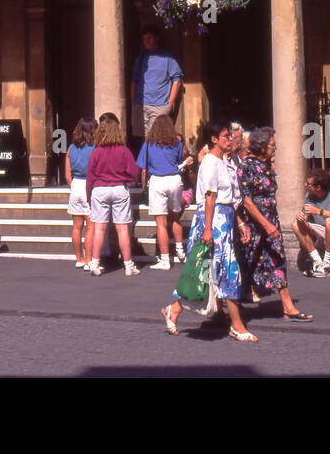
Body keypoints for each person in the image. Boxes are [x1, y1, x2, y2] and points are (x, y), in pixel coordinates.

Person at [161, 118, 254, 341]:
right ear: (214, 140)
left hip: (222, 219)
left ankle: (173, 310)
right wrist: (209, 230)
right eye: (226, 136)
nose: (230, 139)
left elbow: (228, 199)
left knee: (206, 270)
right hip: (212, 221)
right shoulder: (211, 163)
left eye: (230, 136)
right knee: (220, 270)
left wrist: (238, 222)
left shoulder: (222, 161)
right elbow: (210, 198)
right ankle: (237, 325)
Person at [236, 127, 313, 321]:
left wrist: (272, 224)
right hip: (254, 224)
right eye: (272, 145)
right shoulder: (247, 166)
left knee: (278, 259)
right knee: (247, 262)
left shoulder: (266, 165)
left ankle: (287, 306)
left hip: (271, 220)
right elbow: (247, 201)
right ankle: (231, 308)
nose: (275, 148)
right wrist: (266, 225)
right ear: (261, 146)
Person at [86, 117, 142, 276]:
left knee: (99, 228)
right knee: (123, 228)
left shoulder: (96, 152)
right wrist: (126, 179)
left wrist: (89, 195)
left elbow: (90, 176)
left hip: (100, 189)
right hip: (119, 188)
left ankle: (95, 263)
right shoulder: (124, 151)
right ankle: (128, 265)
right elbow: (134, 172)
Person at [136, 114, 187, 269]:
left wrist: (144, 188)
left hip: (158, 180)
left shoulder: (148, 144)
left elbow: (143, 168)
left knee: (161, 223)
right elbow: (179, 161)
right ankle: (180, 250)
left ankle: (165, 259)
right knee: (175, 216)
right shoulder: (177, 144)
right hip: (174, 179)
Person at [292, 167, 330, 277]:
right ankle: (318, 261)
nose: (305, 185)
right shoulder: (309, 197)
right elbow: (305, 215)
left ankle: (328, 263)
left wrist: (319, 211)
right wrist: (301, 217)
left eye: (309, 184)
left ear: (318, 187)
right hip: (320, 235)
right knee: (295, 223)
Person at [130, 25, 183, 138]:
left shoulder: (168, 57)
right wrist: (133, 101)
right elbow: (134, 81)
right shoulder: (140, 59)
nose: (146, 42)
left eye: (149, 38)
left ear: (156, 38)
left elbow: (177, 80)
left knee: (156, 139)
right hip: (140, 105)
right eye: (144, 39)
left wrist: (169, 104)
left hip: (159, 105)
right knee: (141, 140)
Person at [65, 117, 97, 269]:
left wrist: (73, 186)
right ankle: (89, 259)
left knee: (76, 226)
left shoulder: (71, 148)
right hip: (89, 185)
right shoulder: (95, 148)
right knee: (91, 225)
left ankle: (79, 258)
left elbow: (67, 175)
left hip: (76, 185)